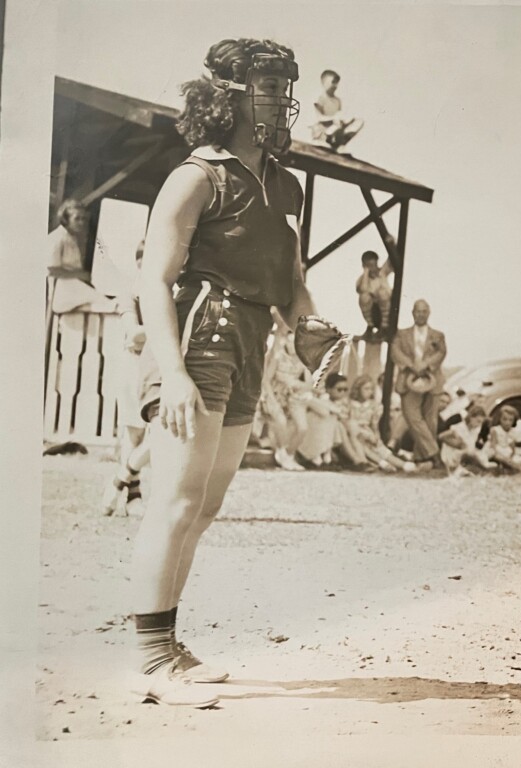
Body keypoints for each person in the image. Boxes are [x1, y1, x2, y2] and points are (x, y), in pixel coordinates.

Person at [130, 38, 313, 707]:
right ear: (228, 96)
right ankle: (149, 663)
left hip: (252, 340)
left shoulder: (281, 183)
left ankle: (167, 647)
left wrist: (308, 325)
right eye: (268, 87)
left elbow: (291, 278)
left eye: (281, 89)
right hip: (201, 337)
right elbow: (155, 278)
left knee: (204, 507)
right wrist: (172, 373)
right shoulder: (197, 175)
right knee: (175, 503)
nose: (280, 102)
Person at [102, 240, 150, 516]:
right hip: (133, 365)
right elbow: (134, 335)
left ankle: (119, 478)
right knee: (134, 434)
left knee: (158, 435)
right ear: (139, 261)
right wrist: (168, 328)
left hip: (159, 366)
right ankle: (133, 496)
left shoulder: (171, 290)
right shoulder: (129, 292)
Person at [389, 299, 447, 469]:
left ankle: (423, 458)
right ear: (412, 313)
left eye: (424, 311)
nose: (420, 314)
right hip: (409, 380)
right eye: (417, 311)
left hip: (432, 380)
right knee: (412, 417)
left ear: (429, 313)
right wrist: (410, 365)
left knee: (430, 418)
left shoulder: (438, 335)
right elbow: (395, 351)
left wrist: (427, 364)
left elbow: (441, 352)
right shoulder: (402, 334)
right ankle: (434, 454)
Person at [46, 200, 117, 315]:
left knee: (105, 302)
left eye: (84, 219)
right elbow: (50, 270)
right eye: (77, 218)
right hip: (63, 289)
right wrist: (81, 274)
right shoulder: (57, 238)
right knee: (106, 304)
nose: (81, 222)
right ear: (66, 220)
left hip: (75, 287)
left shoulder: (72, 238)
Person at [262, 324, 314, 471]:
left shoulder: (304, 359)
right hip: (275, 394)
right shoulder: (278, 356)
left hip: (293, 395)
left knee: (302, 427)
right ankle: (282, 454)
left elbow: (310, 384)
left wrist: (295, 383)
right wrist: (271, 399)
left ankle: (288, 455)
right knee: (281, 421)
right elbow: (266, 379)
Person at [296, 372, 369, 469]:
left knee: (345, 429)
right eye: (339, 390)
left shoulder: (345, 402)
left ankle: (360, 460)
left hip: (343, 433)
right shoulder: (316, 399)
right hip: (323, 435)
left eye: (345, 390)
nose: (342, 392)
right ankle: (356, 460)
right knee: (338, 425)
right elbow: (326, 411)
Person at [348, 375, 417, 472]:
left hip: (368, 431)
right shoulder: (349, 404)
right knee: (362, 443)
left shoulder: (374, 406)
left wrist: (376, 436)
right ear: (358, 389)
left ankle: (403, 465)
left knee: (378, 447)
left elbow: (374, 424)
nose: (369, 391)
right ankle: (383, 463)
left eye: (371, 389)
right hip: (354, 432)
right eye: (366, 389)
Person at [310, 69, 363, 153]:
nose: (335, 85)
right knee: (336, 124)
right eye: (333, 82)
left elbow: (338, 116)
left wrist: (346, 122)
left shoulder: (337, 101)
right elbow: (319, 118)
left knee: (358, 122)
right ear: (324, 82)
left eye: (337, 83)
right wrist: (333, 119)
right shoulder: (320, 98)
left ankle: (339, 144)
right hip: (322, 129)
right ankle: (323, 139)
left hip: (335, 128)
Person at [355, 249, 393, 341]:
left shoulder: (382, 272)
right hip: (372, 311)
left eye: (374, 265)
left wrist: (392, 242)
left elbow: (391, 259)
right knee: (364, 297)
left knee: (382, 293)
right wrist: (366, 272)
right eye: (370, 266)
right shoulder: (363, 279)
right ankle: (370, 327)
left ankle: (384, 328)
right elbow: (362, 289)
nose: (373, 268)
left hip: (387, 310)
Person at [486, 404, 521, 474]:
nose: (507, 422)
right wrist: (504, 457)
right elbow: (493, 447)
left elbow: (513, 449)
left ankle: (513, 467)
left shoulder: (513, 432)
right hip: (498, 453)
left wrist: (511, 457)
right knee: (499, 457)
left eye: (510, 420)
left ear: (514, 421)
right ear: (500, 419)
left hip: (508, 454)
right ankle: (518, 468)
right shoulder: (495, 430)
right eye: (504, 419)